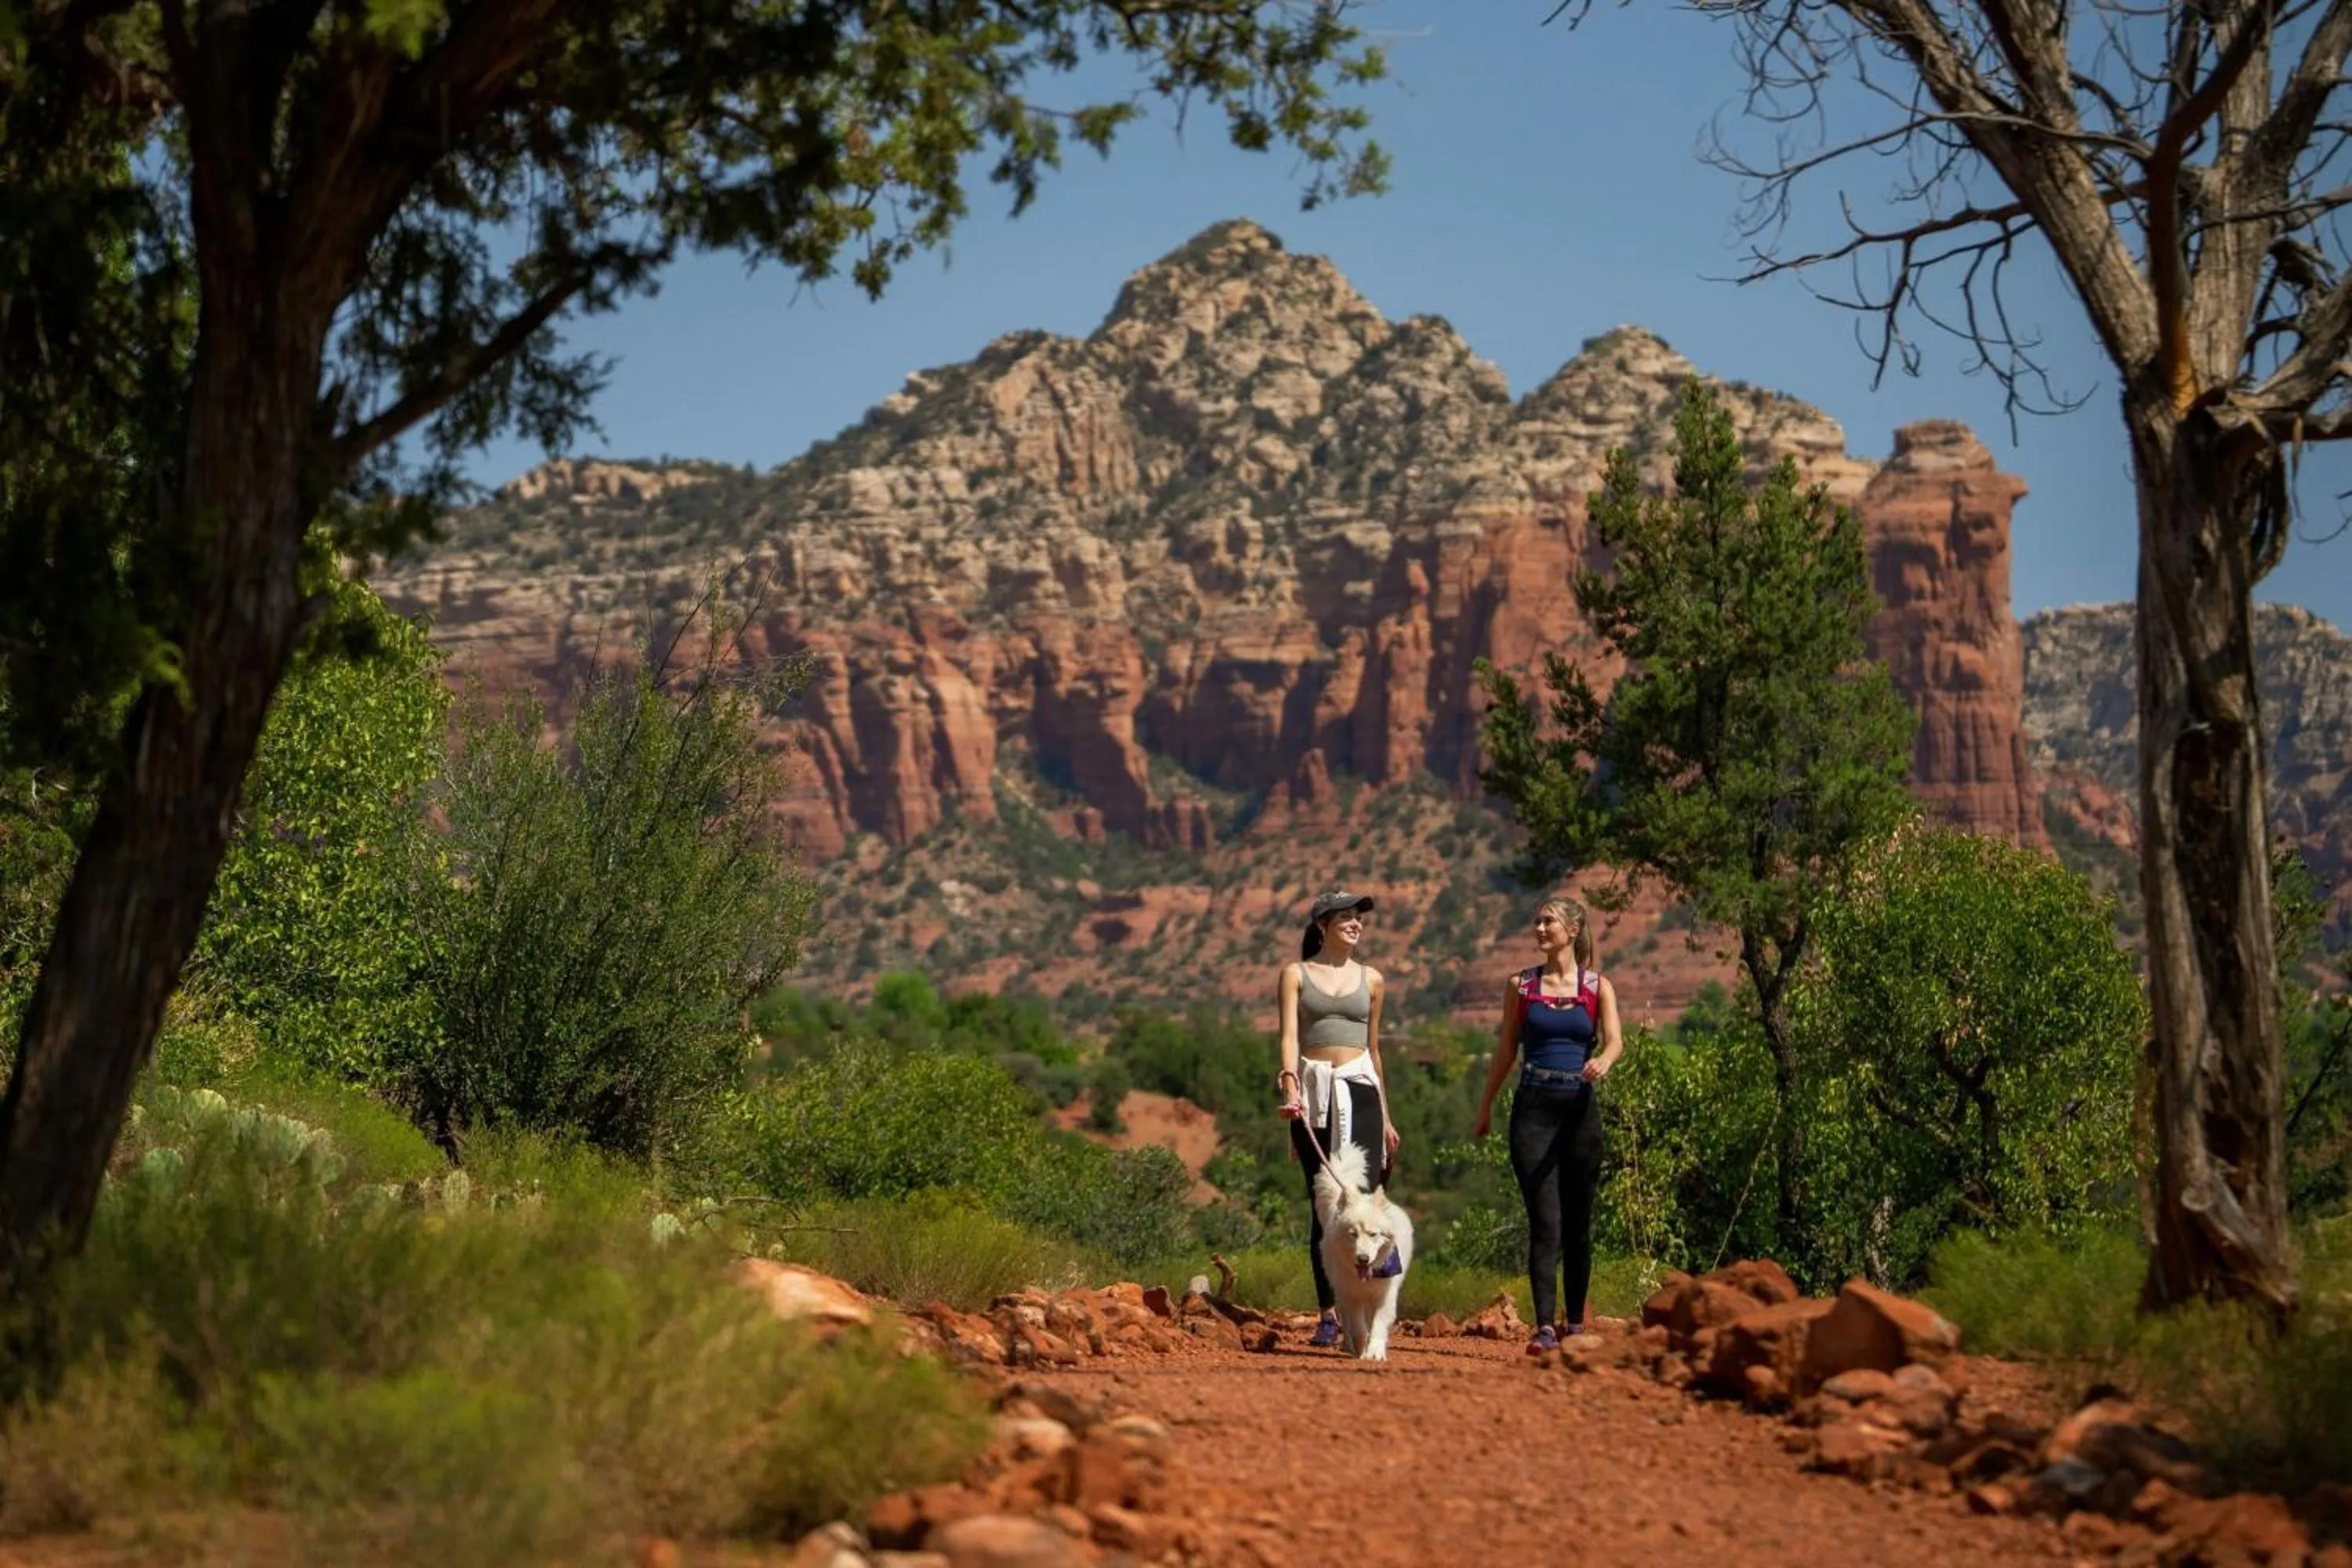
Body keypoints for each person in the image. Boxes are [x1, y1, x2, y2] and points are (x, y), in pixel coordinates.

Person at [1472, 895, 1623, 1352]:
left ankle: (1574, 1324)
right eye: (1536, 920)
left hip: (1580, 1110)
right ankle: (1542, 1329)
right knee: (1546, 1221)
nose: (1539, 928)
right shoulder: (1520, 986)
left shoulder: (1599, 986)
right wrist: (1485, 1107)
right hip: (1533, 1109)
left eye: (1548, 922)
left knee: (1578, 1222)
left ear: (1572, 930)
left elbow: (1616, 1041)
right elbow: (1505, 1050)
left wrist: (1604, 1061)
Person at [1276, 888, 1403, 1349]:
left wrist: (1386, 1116)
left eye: (1358, 918)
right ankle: (1329, 1313)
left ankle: (1371, 1308)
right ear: (1322, 926)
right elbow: (1290, 1037)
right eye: (1345, 917)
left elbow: (1374, 1050)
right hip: (1313, 1091)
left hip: (1361, 1091)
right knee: (1325, 1205)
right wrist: (1290, 1083)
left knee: (1364, 1202)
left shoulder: (1372, 980)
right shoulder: (1296, 974)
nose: (1356, 924)